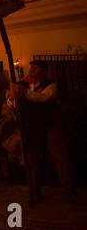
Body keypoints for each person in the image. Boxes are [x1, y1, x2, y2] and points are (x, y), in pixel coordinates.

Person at [9, 60, 76, 203]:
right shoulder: (21, 85)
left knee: (59, 157)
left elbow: (43, 97)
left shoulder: (51, 86)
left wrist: (24, 92)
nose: (32, 69)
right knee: (31, 159)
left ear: (43, 71)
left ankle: (69, 189)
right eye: (31, 67)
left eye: (36, 68)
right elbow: (11, 103)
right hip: (29, 126)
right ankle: (35, 190)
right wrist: (12, 96)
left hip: (48, 124)